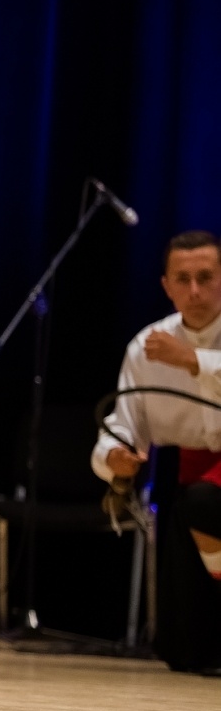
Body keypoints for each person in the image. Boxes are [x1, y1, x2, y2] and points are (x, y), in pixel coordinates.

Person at [91, 229, 221, 675]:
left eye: (206, 277)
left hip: (204, 494)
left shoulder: (173, 350)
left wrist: (194, 361)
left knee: (204, 502)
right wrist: (115, 456)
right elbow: (123, 425)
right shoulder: (147, 347)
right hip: (187, 486)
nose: (195, 291)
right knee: (184, 655)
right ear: (166, 285)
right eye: (182, 279)